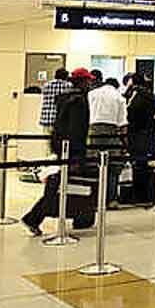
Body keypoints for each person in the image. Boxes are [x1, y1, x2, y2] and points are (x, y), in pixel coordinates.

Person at [23, 68, 96, 235]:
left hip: (62, 146)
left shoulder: (64, 98)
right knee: (62, 185)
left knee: (66, 184)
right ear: (81, 82)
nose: (89, 84)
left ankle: (82, 218)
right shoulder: (79, 100)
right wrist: (76, 154)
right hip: (72, 150)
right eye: (87, 81)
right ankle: (33, 218)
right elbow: (77, 129)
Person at [87, 75, 127, 206]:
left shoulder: (92, 94)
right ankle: (111, 199)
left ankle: (93, 199)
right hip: (112, 132)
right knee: (113, 167)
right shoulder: (119, 97)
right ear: (117, 86)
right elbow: (123, 124)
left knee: (93, 165)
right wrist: (124, 144)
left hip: (93, 131)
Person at [124, 73, 155, 204]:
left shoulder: (138, 95)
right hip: (144, 132)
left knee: (139, 164)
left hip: (138, 133)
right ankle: (142, 194)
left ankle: (140, 195)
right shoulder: (147, 94)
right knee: (141, 164)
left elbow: (131, 112)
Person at [39, 69, 72, 135]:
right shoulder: (68, 86)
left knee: (47, 138)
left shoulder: (46, 85)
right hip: (60, 119)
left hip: (47, 118)